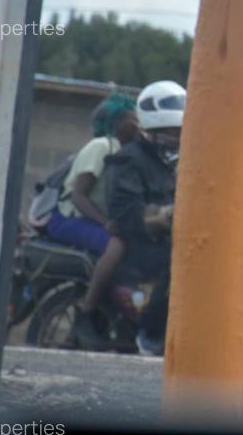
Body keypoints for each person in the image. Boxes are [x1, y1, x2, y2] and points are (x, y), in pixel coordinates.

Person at [46, 92, 139, 349]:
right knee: (116, 245)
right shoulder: (101, 146)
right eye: (133, 119)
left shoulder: (126, 151)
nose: (138, 124)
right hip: (67, 219)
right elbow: (78, 197)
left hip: (89, 220)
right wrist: (106, 223)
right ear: (117, 123)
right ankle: (85, 313)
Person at [107, 80, 184, 356]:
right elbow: (125, 213)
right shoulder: (130, 159)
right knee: (178, 264)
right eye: (171, 132)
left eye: (180, 132)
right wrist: (162, 216)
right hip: (137, 241)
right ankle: (150, 334)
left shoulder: (169, 163)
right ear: (153, 129)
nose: (177, 138)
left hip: (163, 236)